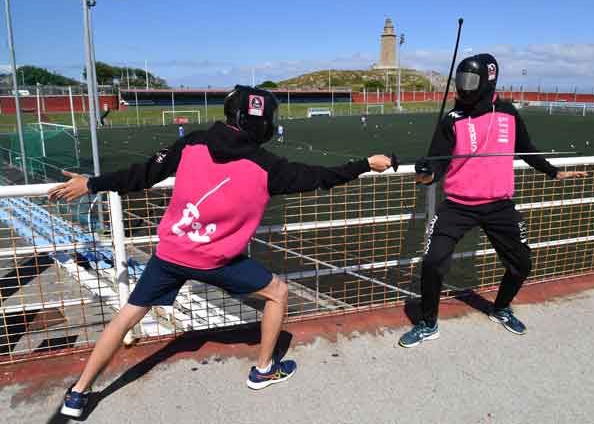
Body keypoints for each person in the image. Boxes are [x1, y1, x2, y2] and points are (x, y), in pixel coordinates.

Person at [49, 85, 391, 418]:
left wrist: (90, 183)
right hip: (218, 262)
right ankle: (262, 371)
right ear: (265, 124)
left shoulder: (192, 142)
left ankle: (78, 393)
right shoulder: (268, 166)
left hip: (171, 254)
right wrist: (365, 163)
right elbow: (321, 176)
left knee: (126, 316)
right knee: (278, 293)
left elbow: (141, 174)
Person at [398, 54, 587, 348]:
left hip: (499, 205)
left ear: (488, 80)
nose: (464, 86)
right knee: (434, 262)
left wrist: (553, 172)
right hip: (458, 205)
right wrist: (424, 175)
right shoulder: (452, 119)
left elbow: (526, 148)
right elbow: (435, 168)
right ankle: (428, 323)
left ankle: (500, 308)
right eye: (461, 80)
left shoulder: (509, 113)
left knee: (522, 263)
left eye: (470, 80)